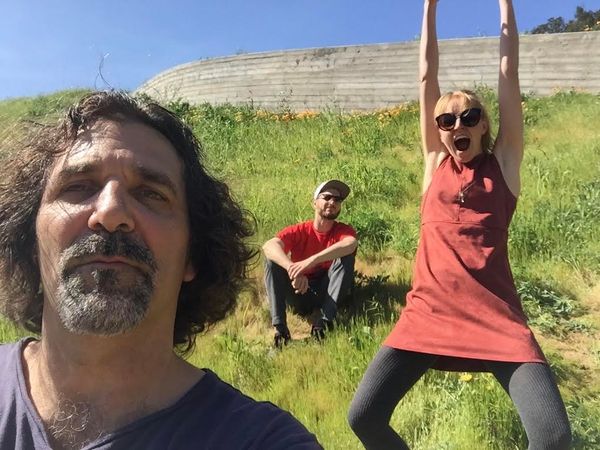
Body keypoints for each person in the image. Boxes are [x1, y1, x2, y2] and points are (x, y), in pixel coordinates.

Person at [0, 91, 322, 449]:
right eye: (78, 187)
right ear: (29, 239)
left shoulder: (264, 442)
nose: (110, 213)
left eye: (151, 194)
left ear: (192, 254)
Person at [348, 1, 572, 449]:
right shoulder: (434, 164)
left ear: (484, 124)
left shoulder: (503, 165)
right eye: (446, 120)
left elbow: (508, 74)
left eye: (469, 117)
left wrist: (504, 4)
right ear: (439, 130)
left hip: (496, 317)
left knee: (553, 438)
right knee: (364, 417)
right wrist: (429, 6)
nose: (457, 125)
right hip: (427, 314)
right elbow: (425, 77)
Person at [263, 180, 357, 346]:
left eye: (337, 199)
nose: (332, 202)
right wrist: (293, 270)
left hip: (328, 292)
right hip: (298, 290)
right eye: (327, 197)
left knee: (346, 257)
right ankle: (281, 331)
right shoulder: (300, 230)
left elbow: (350, 244)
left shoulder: (343, 231)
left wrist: (310, 262)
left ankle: (323, 325)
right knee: (272, 262)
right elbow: (269, 246)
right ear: (314, 203)